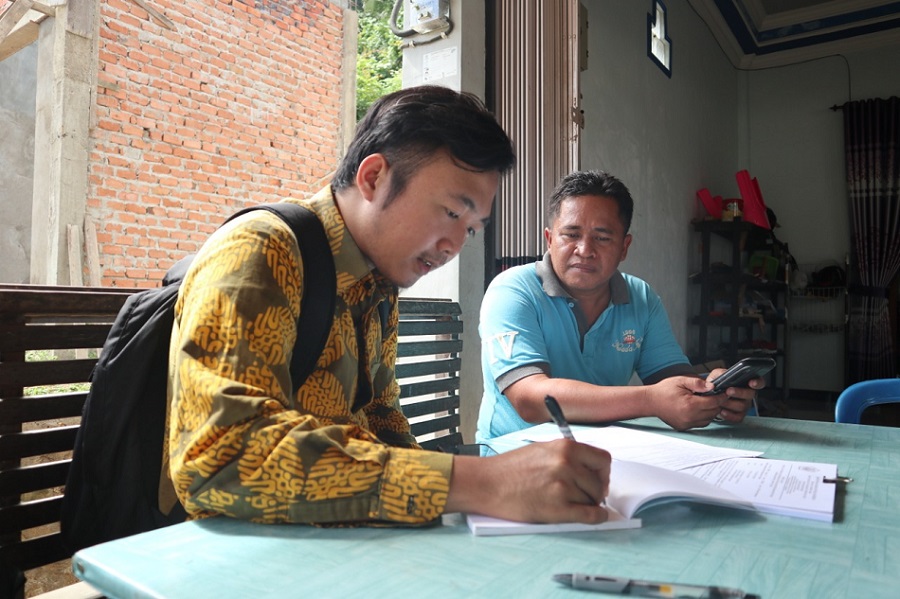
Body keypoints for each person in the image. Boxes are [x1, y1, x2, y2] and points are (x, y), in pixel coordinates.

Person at [166, 86, 611, 528]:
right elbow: (220, 459)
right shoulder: (261, 251)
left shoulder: (377, 281)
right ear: (374, 177)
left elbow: (382, 418)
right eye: (451, 213)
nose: (454, 245)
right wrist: (480, 482)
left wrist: (458, 507)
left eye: (472, 229)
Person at [476, 170, 763, 445]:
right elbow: (530, 399)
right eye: (571, 235)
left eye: (602, 238)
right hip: (514, 457)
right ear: (550, 240)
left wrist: (713, 395)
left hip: (604, 455)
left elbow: (673, 381)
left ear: (624, 247)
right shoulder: (513, 291)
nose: (585, 250)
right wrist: (650, 400)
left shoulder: (641, 297)